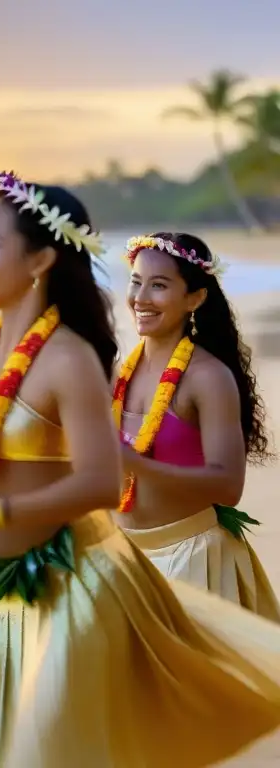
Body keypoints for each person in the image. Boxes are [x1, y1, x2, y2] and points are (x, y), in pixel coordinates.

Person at [0, 172, 280, 768]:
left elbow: (128, 480)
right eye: (136, 284)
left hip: (143, 561)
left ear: (42, 258)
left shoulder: (109, 364)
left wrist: (127, 465)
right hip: (5, 584)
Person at [113, 232, 279, 619]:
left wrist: (136, 464)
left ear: (195, 298)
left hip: (190, 561)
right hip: (123, 559)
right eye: (136, 282)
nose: (140, 297)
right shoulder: (121, 373)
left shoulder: (207, 377)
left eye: (159, 285)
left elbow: (228, 486)